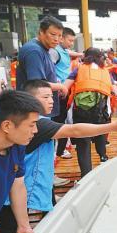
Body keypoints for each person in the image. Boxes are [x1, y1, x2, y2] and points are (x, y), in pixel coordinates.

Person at [0, 80, 117, 233]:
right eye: (45, 97)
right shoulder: (40, 124)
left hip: (27, 187)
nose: (52, 100)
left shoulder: (35, 124)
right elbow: (75, 130)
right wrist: (113, 126)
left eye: (51, 96)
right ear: (29, 101)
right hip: (18, 196)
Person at [0, 91, 41, 233]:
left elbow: (17, 184)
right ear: (7, 126)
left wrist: (23, 225)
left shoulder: (16, 146)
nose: (35, 130)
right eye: (31, 124)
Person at [65, 47, 117, 177]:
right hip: (101, 110)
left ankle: (85, 173)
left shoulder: (79, 69)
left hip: (81, 111)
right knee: (100, 133)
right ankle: (103, 157)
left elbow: (66, 87)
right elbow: (114, 89)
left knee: (83, 140)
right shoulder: (104, 71)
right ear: (100, 58)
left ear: (85, 57)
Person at [16, 16, 68, 120]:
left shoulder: (44, 49)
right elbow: (36, 84)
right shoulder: (34, 51)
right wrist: (60, 86)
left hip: (40, 109)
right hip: (34, 110)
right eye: (53, 34)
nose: (57, 39)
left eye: (60, 36)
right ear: (41, 32)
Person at [49, 27, 77, 170]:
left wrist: (81, 54)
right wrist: (58, 84)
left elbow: (69, 52)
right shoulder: (55, 52)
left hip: (64, 92)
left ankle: (61, 148)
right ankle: (56, 153)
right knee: (58, 122)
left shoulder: (64, 51)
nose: (71, 43)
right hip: (58, 93)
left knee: (64, 119)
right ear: (62, 39)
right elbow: (49, 67)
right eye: (70, 40)